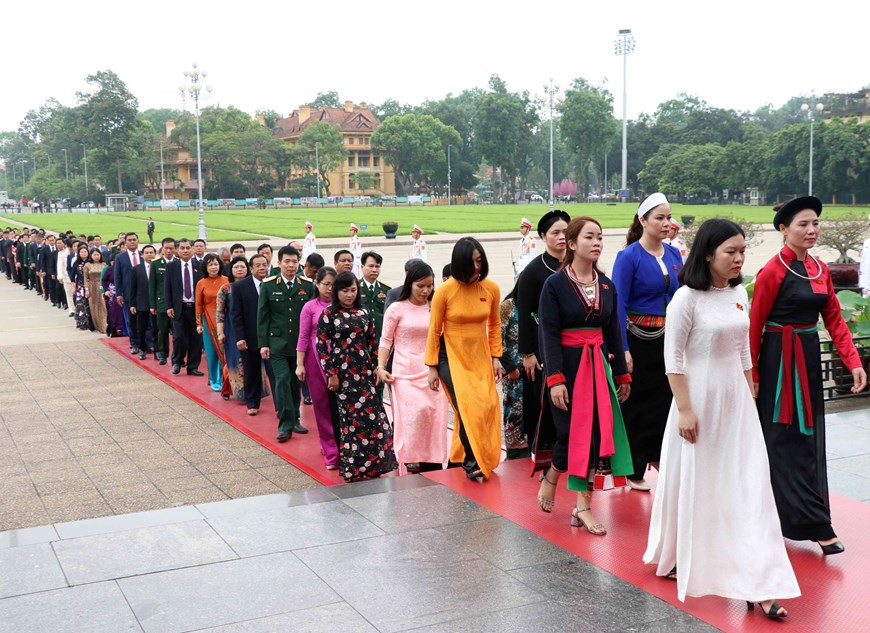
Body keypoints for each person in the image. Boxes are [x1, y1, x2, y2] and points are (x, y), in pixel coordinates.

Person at [645, 219, 800, 619]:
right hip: (697, 401)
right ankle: (680, 552)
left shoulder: (737, 294)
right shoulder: (685, 299)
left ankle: (761, 584)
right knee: (696, 481)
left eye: (742, 251)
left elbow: (744, 348)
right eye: (731, 251)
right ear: (708, 253)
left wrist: (750, 386)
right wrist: (684, 409)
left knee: (751, 487)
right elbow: (672, 358)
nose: (738, 258)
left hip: (736, 404)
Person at [750, 196, 867, 555]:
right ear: (784, 229)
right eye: (803, 224)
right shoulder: (773, 270)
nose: (812, 230)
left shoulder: (818, 269)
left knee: (806, 437)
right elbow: (754, 327)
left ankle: (807, 518)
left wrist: (853, 362)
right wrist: (752, 373)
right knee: (782, 440)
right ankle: (809, 524)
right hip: (778, 361)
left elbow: (834, 319)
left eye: (815, 223)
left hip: (808, 357)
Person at [537, 216, 633, 534]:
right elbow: (548, 335)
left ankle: (583, 506)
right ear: (573, 243)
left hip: (598, 369)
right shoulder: (555, 285)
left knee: (593, 438)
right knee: (569, 435)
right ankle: (552, 475)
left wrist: (621, 375)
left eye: (600, 238)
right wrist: (555, 379)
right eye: (590, 237)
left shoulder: (606, 285)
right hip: (568, 367)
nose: (597, 243)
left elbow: (614, 332)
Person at [612, 193, 683, 491]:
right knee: (637, 403)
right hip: (637, 338)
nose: (666, 223)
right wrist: (623, 348)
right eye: (660, 218)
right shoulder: (628, 257)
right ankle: (634, 466)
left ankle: (660, 458)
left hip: (668, 339)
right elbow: (617, 303)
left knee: (665, 401)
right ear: (643, 221)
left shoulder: (674, 254)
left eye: (668, 218)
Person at [425, 237, 503, 481]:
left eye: (480, 261)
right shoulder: (445, 292)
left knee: (487, 406)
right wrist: (432, 368)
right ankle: (474, 461)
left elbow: (495, 324)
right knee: (467, 408)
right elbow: (434, 330)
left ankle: (459, 458)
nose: (477, 267)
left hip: (479, 355)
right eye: (472, 262)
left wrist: (496, 357)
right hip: (450, 357)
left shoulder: (491, 289)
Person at [317, 271, 397, 481]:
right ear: (336, 291)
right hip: (343, 377)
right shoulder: (328, 314)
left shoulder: (363, 311)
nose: (349, 295)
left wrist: (376, 368)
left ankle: (374, 465)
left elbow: (372, 341)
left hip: (364, 374)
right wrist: (331, 374)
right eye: (345, 291)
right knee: (351, 422)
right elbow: (321, 346)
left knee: (373, 419)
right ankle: (354, 467)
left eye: (353, 290)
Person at [378, 261, 448, 474]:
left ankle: (433, 460)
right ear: (410, 284)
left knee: (433, 416)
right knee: (414, 416)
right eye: (420, 286)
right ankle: (410, 459)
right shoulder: (396, 308)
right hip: (404, 372)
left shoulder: (435, 307)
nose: (425, 291)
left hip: (431, 371)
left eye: (429, 286)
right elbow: (385, 340)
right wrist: (381, 366)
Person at [517, 209, 570, 469]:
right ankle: (543, 451)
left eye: (566, 232)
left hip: (570, 344)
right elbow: (524, 314)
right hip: (540, 347)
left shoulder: (577, 265)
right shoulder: (534, 271)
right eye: (555, 233)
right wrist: (527, 353)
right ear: (543, 236)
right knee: (541, 399)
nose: (562, 237)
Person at [257, 245, 312, 441]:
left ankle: (295, 418)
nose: (291, 265)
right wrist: (263, 343)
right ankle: (285, 424)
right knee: (282, 380)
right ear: (278, 263)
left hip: (299, 345)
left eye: (294, 262)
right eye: (287, 262)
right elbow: (262, 316)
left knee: (296, 383)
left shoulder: (307, 285)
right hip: (277, 343)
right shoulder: (269, 285)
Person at [296, 266, 340, 469]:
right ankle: (331, 451)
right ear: (317, 284)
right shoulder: (310, 307)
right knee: (322, 405)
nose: (330, 288)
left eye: (333, 284)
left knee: (340, 406)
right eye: (326, 284)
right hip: (315, 360)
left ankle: (340, 445)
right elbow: (303, 337)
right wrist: (299, 364)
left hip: (340, 359)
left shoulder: (342, 306)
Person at [230, 253, 272, 416]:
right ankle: (252, 403)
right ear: (251, 268)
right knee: (251, 371)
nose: (262, 268)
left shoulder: (272, 283)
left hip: (271, 337)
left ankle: (279, 406)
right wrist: (240, 337)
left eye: (265, 264)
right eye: (258, 265)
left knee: (274, 373)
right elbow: (236, 314)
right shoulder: (240, 286)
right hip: (249, 336)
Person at [164, 238, 204, 376]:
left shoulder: (199, 265)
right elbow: (167, 288)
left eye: (188, 248)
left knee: (196, 339)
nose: (185, 250)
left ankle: (192, 366)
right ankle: (177, 361)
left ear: (192, 249)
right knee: (179, 337)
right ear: (177, 250)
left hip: (195, 308)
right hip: (179, 307)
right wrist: (169, 306)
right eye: (182, 248)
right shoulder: (171, 267)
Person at [499, 284, 528, 459]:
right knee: (514, 409)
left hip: (535, 369)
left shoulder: (536, 306)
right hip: (513, 371)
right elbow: (496, 337)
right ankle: (515, 451)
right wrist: (511, 368)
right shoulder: (507, 307)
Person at [216, 256, 250, 401]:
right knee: (233, 360)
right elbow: (220, 312)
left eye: (243, 267)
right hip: (231, 329)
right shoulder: (225, 289)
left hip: (250, 328)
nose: (240, 269)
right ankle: (235, 390)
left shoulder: (254, 286)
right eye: (236, 267)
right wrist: (220, 332)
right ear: (231, 270)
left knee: (251, 361)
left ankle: (251, 391)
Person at [196, 253, 230, 392]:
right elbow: (198, 304)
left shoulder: (226, 280)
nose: (213, 267)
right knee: (211, 352)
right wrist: (198, 323)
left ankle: (227, 379)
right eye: (210, 265)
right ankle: (214, 380)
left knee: (225, 352)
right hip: (208, 321)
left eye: (216, 264)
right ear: (206, 267)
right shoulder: (201, 283)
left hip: (225, 321)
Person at [149, 237, 176, 365]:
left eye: (171, 248)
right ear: (162, 249)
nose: (169, 251)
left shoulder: (178, 262)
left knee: (177, 332)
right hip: (161, 302)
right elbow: (152, 286)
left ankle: (177, 357)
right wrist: (153, 305)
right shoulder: (156, 264)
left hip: (176, 303)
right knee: (162, 330)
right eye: (166, 248)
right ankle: (163, 354)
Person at [115, 232, 142, 354]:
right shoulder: (120, 257)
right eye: (129, 240)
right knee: (131, 320)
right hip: (127, 294)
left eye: (134, 239)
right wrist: (119, 294)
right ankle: (134, 344)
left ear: (138, 241)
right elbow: (118, 277)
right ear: (125, 242)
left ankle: (146, 344)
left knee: (146, 321)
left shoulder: (144, 255)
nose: (132, 242)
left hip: (143, 293)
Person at [129, 245, 156, 358]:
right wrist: (132, 304)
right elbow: (133, 287)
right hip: (141, 302)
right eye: (147, 253)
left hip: (156, 303)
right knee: (141, 327)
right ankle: (142, 349)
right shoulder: (137, 269)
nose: (149, 254)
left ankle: (158, 351)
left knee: (156, 328)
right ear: (142, 255)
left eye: (151, 252)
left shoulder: (159, 267)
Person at [359, 252, 390, 341]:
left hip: (380, 336)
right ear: (362, 267)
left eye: (377, 266)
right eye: (371, 266)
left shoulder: (386, 290)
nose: (374, 270)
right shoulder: (355, 288)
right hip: (361, 337)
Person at [102, 253, 126, 337]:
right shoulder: (110, 269)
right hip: (113, 292)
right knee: (115, 310)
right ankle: (117, 328)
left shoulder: (126, 268)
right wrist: (106, 291)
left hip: (126, 290)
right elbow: (104, 280)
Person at [72, 245, 92, 330]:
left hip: (90, 285)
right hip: (80, 286)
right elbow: (72, 276)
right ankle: (82, 322)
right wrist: (73, 287)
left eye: (85, 252)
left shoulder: (90, 263)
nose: (84, 253)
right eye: (82, 252)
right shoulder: (76, 263)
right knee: (81, 304)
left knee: (89, 304)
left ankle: (90, 322)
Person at [860, 213, 870, 298]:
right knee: (865, 309)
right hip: (867, 286)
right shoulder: (867, 243)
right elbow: (863, 265)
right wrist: (862, 283)